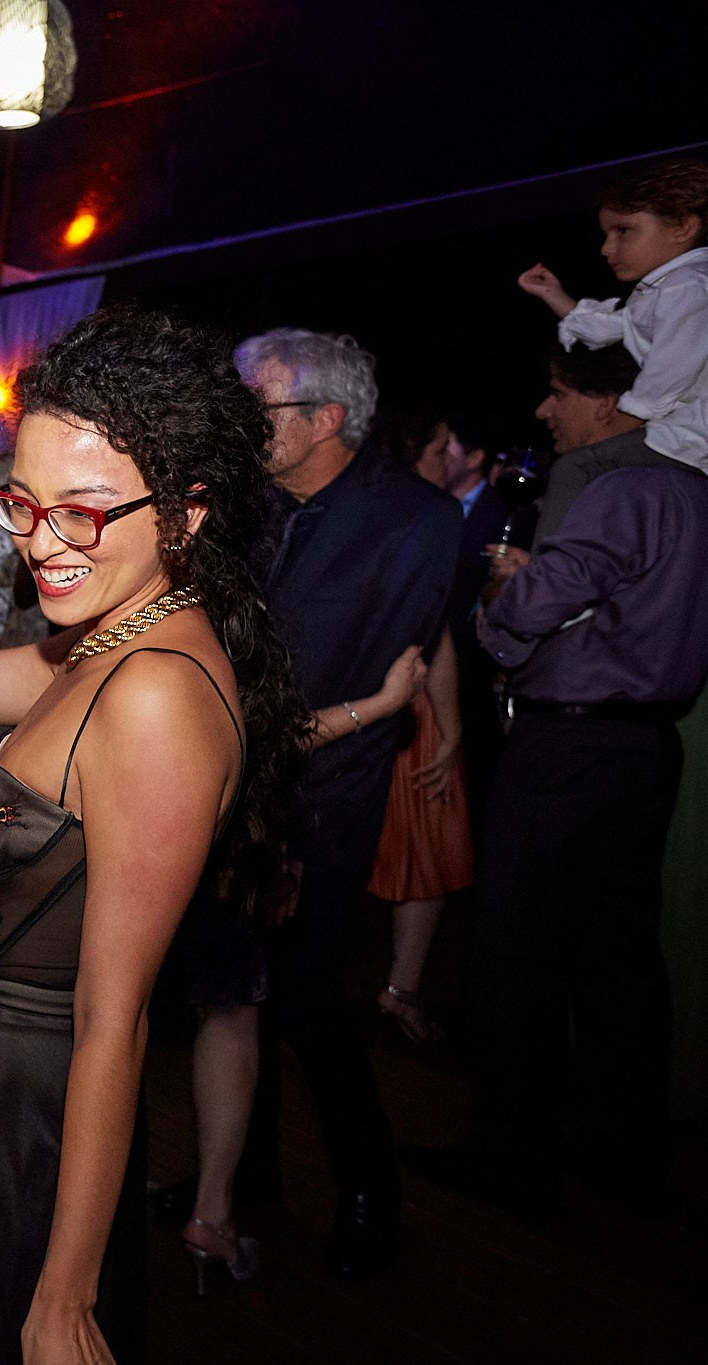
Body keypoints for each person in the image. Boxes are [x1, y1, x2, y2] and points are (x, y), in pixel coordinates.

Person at [0, 310, 307, 1362]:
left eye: (80, 513)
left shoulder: (154, 698)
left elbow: (111, 1024)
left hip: (20, 1129)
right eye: (21, 504)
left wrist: (64, 1293)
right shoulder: (105, 642)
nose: (38, 541)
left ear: (185, 515)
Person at [439, 372, 708, 1211]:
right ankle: (618, 1157)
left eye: (560, 393)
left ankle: (507, 1161)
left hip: (571, 747)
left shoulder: (622, 486)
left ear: (614, 402)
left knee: (519, 952)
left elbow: (552, 595)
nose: (544, 410)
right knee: (615, 958)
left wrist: (499, 620)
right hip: (643, 746)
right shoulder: (694, 491)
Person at [236, 327, 459, 1277]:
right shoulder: (248, 504)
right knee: (227, 996)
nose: (247, 423)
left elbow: (378, 674)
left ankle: (369, 1188)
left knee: (306, 1001)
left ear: (326, 418)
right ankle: (238, 1191)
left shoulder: (415, 518)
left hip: (323, 793)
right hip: (223, 787)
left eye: (264, 407)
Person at [517, 157, 708, 538]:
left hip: (688, 440)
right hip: (674, 438)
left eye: (624, 231)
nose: (607, 248)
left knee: (576, 468)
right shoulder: (667, 288)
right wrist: (555, 296)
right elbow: (614, 327)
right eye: (607, 234)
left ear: (684, 227)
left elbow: (669, 373)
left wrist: (622, 421)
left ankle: (548, 581)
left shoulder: (690, 286)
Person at [364, 415, 478, 1042]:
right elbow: (433, 635)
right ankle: (400, 991)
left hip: (363, 700)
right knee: (426, 853)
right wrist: (454, 725)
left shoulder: (369, 514)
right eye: (438, 448)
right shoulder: (427, 517)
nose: (445, 458)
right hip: (410, 705)